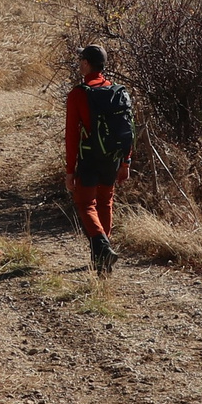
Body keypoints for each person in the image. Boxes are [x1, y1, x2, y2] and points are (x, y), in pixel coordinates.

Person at [63, 43, 135, 277]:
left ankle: (102, 248)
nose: (79, 64)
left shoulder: (78, 94)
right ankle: (104, 260)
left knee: (86, 204)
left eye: (81, 60)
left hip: (89, 157)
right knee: (105, 203)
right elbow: (128, 129)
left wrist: (70, 170)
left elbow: (71, 136)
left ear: (86, 63)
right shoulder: (117, 91)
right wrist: (126, 162)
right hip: (113, 158)